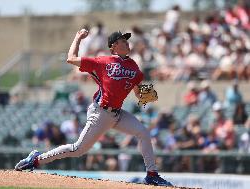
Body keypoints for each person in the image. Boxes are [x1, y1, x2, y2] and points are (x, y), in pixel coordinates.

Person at [15, 29, 173, 186]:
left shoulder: (134, 66)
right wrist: (77, 38)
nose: (127, 42)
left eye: (127, 40)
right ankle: (36, 159)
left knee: (143, 132)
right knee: (78, 149)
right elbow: (71, 58)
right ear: (113, 46)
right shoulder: (102, 62)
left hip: (117, 115)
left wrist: (148, 95)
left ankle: (152, 175)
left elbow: (138, 94)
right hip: (100, 112)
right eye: (123, 40)